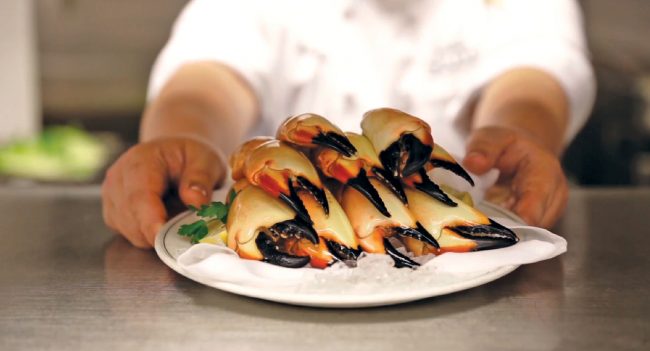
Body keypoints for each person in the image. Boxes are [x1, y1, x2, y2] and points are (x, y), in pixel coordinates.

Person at [102, 0, 595, 248]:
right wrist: (183, 138)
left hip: (473, 259)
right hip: (282, 276)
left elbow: (536, 74)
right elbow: (207, 75)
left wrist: (522, 134)